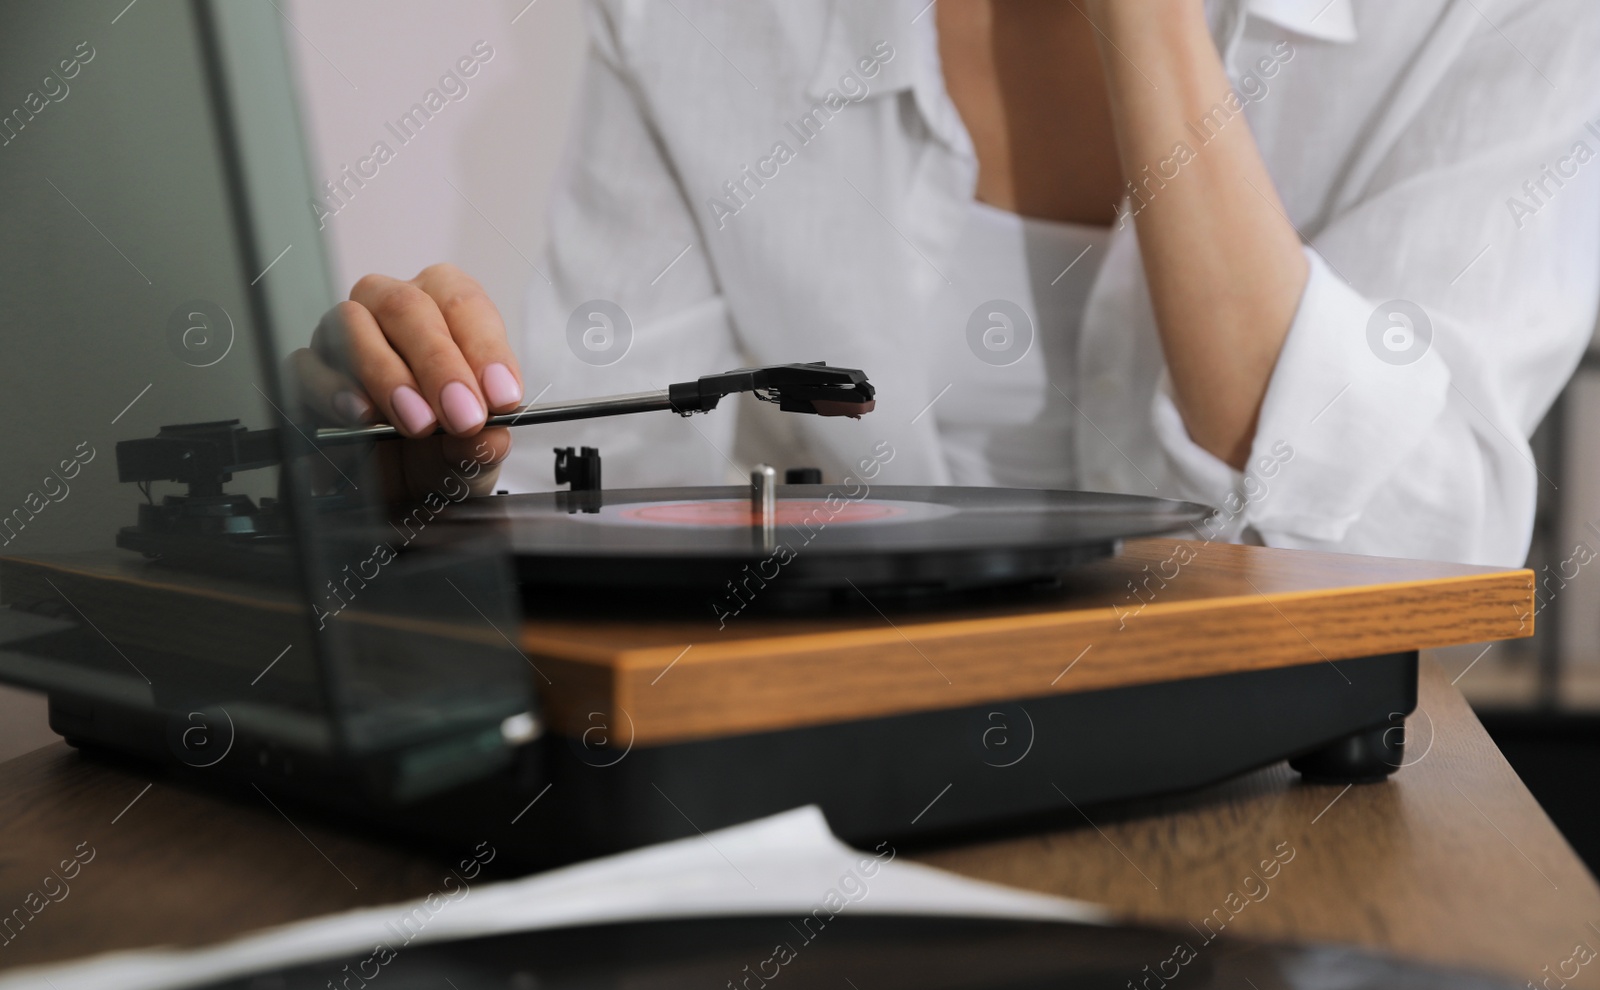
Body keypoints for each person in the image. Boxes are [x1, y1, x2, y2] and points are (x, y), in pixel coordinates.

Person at [293, 0, 1600, 566]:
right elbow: (622, 470)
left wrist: (1142, 30)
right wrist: (456, 461)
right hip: (834, 794)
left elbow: (1421, 545)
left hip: (1304, 815)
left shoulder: (1516, 25)